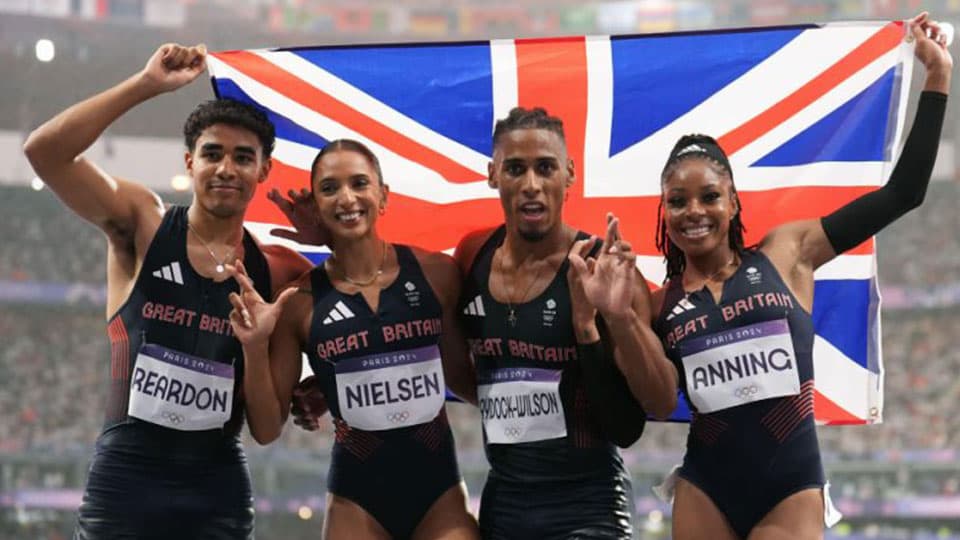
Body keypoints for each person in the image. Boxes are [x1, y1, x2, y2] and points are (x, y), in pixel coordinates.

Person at [649, 13, 952, 539]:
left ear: (733, 201)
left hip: (786, 486)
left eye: (709, 196)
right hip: (705, 485)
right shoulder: (659, 304)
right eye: (677, 201)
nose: (693, 210)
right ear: (664, 212)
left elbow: (904, 193)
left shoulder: (787, 253)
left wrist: (939, 77)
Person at [23, 43, 311, 539]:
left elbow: (266, 430)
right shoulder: (143, 225)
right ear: (190, 160)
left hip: (216, 492)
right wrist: (145, 85)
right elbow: (43, 151)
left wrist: (257, 347)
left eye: (244, 158)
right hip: (124, 485)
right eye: (212, 153)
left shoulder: (280, 273)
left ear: (263, 171)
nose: (226, 168)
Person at [226, 138, 480, 539]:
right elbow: (266, 429)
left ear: (383, 196)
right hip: (356, 501)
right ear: (316, 204)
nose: (346, 198)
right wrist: (255, 347)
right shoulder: (300, 302)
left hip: (440, 497)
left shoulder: (437, 274)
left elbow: (465, 380)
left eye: (359, 183)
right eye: (330, 189)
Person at [454, 107, 678, 539]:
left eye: (546, 168)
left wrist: (617, 317)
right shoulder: (472, 255)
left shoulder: (604, 268)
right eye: (515, 169)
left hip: (588, 507)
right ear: (492, 175)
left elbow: (662, 402)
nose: (531, 186)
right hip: (504, 504)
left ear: (569, 174)